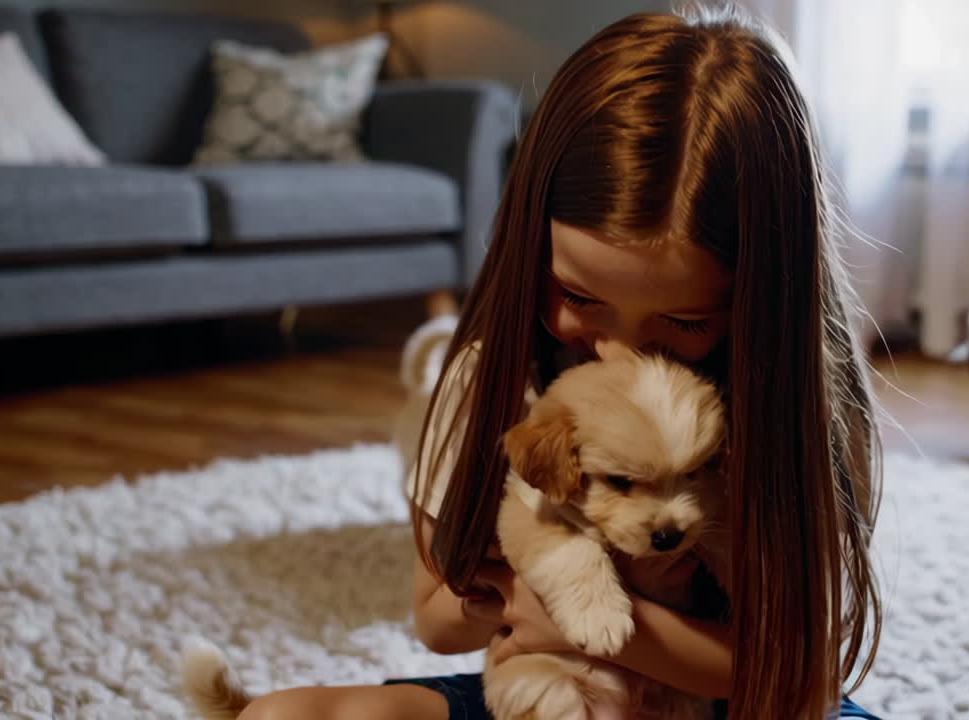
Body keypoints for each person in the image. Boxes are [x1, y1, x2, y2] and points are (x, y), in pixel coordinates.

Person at [239, 6, 884, 719]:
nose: (622, 351)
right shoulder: (489, 380)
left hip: (741, 697)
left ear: (764, 299)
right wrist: (541, 585)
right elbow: (435, 621)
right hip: (558, 690)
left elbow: (802, 674)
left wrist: (622, 633)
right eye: (579, 294)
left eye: (687, 320)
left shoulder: (794, 395)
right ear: (529, 240)